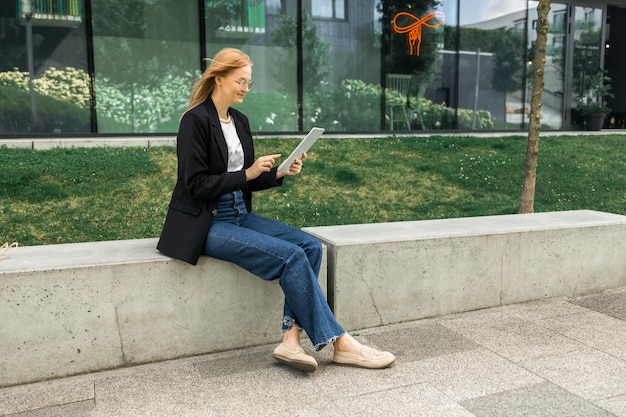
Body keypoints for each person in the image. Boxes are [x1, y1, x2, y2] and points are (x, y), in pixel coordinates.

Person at [157, 47, 396, 372]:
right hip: (207, 222)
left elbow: (246, 182)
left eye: (249, 83)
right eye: (240, 81)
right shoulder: (195, 121)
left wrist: (277, 172)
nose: (245, 88)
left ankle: (290, 341)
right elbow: (194, 185)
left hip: (240, 212)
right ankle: (341, 343)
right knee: (291, 256)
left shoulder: (239, 121)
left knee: (310, 246)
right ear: (219, 77)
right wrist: (248, 173)